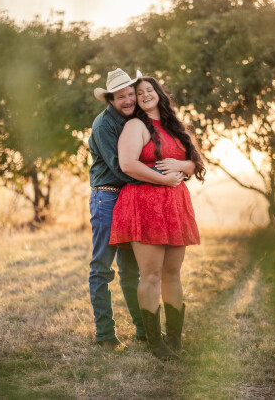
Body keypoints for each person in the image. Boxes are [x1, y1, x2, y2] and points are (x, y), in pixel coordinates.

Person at [109, 75, 206, 360]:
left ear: (159, 93)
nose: (145, 95)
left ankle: (174, 338)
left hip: (175, 204)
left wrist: (180, 164)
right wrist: (164, 179)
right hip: (145, 203)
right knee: (150, 274)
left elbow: (195, 163)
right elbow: (128, 164)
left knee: (173, 273)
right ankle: (155, 342)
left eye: (149, 90)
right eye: (139, 93)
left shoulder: (175, 126)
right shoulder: (136, 126)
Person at [89, 68, 186, 349]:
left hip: (130, 198)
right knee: (102, 268)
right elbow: (123, 168)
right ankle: (105, 334)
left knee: (132, 271)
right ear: (110, 99)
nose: (129, 100)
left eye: (131, 94)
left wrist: (178, 169)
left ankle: (143, 331)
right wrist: (163, 178)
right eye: (121, 97)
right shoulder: (104, 125)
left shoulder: (137, 120)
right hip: (107, 196)